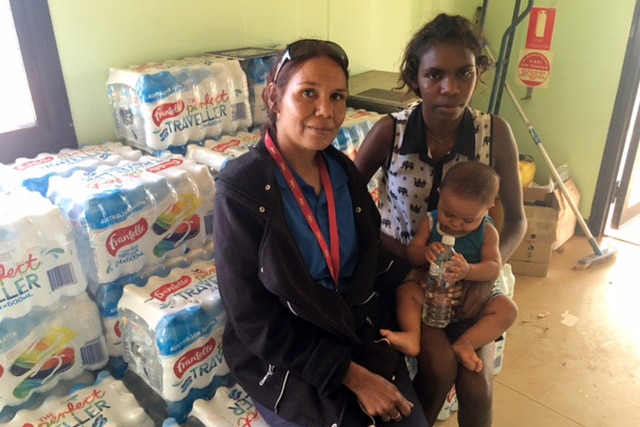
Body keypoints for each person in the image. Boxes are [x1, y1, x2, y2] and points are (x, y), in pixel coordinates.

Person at [212, 39, 428, 427]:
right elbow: (252, 315)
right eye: (308, 93)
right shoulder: (243, 188)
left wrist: (417, 277)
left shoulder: (341, 171)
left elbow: (368, 254)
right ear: (274, 98)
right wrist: (352, 375)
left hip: (350, 326)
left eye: (338, 96)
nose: (325, 111)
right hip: (286, 348)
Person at [354, 13, 527, 427]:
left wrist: (486, 273)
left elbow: (517, 221)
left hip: (474, 276)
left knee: (476, 382)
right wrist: (408, 255)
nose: (451, 88)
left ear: (478, 74)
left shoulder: (494, 134)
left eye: (464, 73)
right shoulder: (389, 133)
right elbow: (351, 204)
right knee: (439, 367)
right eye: (435, 75)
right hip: (406, 275)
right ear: (416, 79)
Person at [379, 162, 518, 374]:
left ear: (489, 206)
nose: (455, 224)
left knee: (508, 310)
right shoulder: (431, 222)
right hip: (432, 291)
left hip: (472, 294)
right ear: (439, 195)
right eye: (448, 213)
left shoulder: (487, 231)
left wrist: (469, 271)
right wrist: (424, 252)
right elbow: (411, 255)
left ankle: (466, 343)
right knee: (406, 291)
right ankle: (411, 335)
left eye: (468, 220)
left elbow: (493, 267)